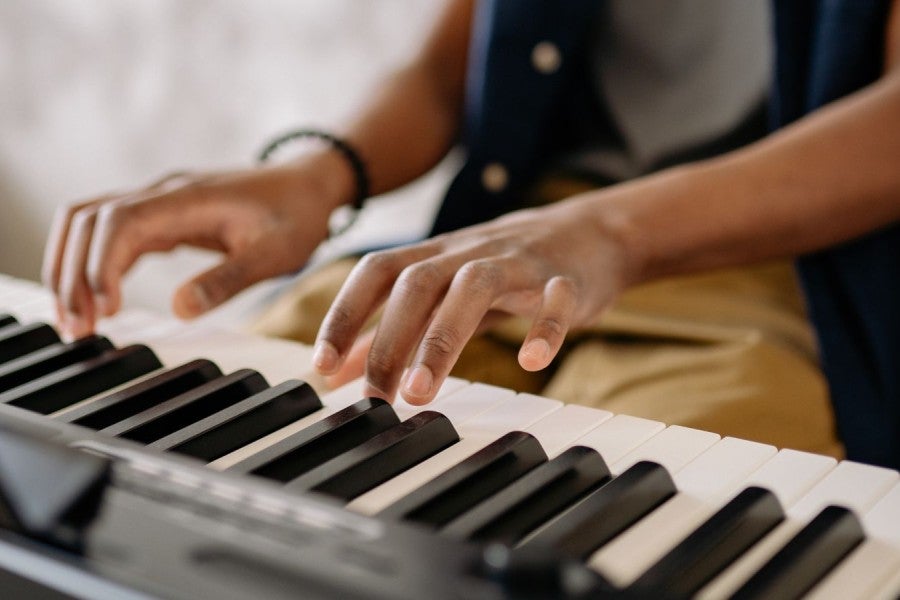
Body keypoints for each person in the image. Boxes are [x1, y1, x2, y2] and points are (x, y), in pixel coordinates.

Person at [43, 0, 900, 467]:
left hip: (755, 267)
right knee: (178, 440)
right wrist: (319, 174)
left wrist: (603, 229)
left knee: (695, 510)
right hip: (499, 249)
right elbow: (448, 65)